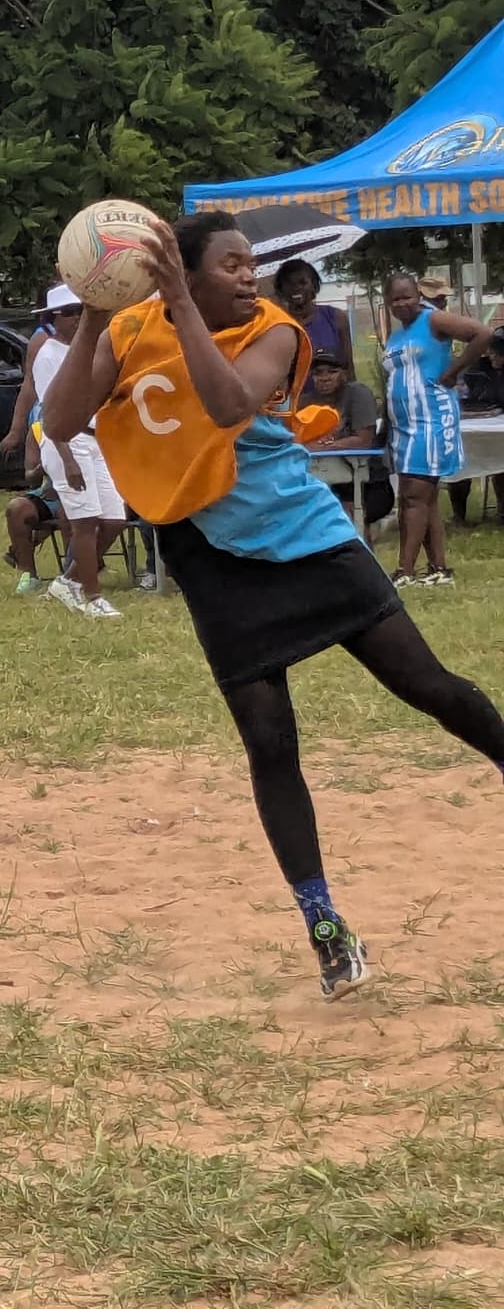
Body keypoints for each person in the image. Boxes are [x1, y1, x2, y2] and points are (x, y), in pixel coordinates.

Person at [47, 211, 504, 1000]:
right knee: (269, 743)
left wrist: (179, 306)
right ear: (185, 270)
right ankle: (326, 928)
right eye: (228, 264)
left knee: (428, 687)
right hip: (210, 554)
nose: (246, 274)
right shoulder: (127, 330)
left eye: (246, 262)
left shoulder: (275, 330)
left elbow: (229, 406)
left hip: (306, 535)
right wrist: (95, 311)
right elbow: (59, 422)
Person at [12, 284, 128, 618]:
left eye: (82, 311)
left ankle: (68, 580)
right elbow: (52, 413)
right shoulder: (49, 355)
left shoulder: (89, 350)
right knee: (85, 522)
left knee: (114, 519)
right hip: (67, 441)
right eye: (70, 313)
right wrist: (67, 458)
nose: (78, 319)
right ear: (53, 318)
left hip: (95, 439)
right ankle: (93, 597)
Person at [381, 270, 492, 586]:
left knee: (414, 495)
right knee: (423, 497)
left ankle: (405, 571)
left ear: (418, 296)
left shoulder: (433, 320)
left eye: (407, 297)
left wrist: (454, 371)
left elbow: (483, 333)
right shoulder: (397, 335)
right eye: (394, 299)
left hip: (431, 419)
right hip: (404, 426)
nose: (401, 304)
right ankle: (439, 568)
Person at [306, 351, 392, 528]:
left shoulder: (357, 394)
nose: (324, 378)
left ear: (344, 373)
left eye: (332, 372)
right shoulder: (306, 401)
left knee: (346, 513)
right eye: (318, 373)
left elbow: (363, 441)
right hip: (324, 480)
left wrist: (324, 446)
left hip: (368, 482)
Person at [272, 259, 350, 368]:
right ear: (281, 291)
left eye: (302, 283)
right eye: (289, 284)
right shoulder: (276, 326)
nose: (296, 288)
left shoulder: (336, 318)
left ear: (315, 287)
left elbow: (348, 367)